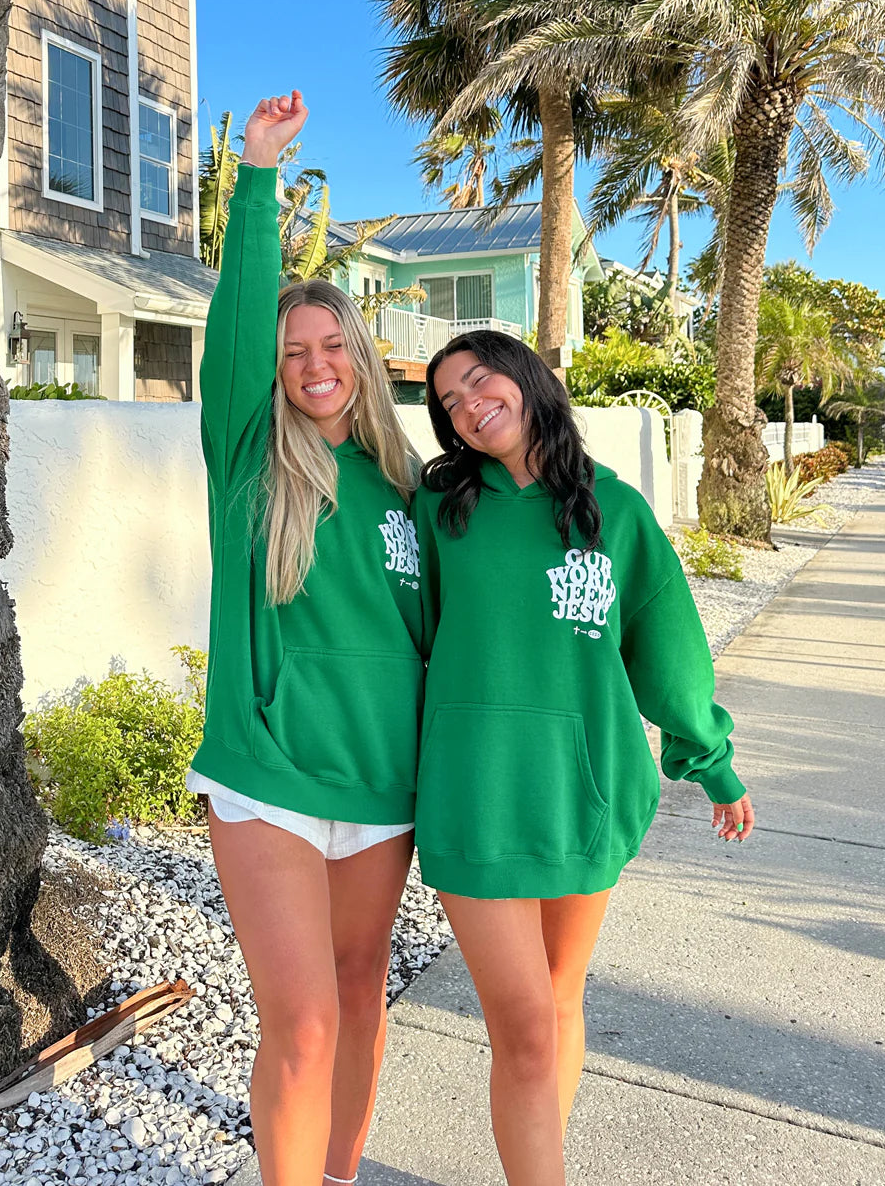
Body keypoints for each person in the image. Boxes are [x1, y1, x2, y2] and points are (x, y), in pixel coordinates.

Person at [412, 330, 754, 1186]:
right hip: (475, 795)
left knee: (562, 996)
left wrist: (712, 762)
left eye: (480, 381)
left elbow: (668, 656)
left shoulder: (617, 511)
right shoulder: (440, 509)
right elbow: (403, 640)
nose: (468, 406)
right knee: (526, 1027)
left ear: (528, 380)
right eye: (449, 401)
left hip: (586, 789)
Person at [186, 92, 423, 1186]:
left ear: (361, 357)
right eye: (294, 352)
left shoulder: (409, 486)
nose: (314, 363)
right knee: (306, 1022)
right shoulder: (250, 461)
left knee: (362, 994)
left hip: (383, 787)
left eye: (333, 344)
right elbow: (236, 329)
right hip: (269, 776)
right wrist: (257, 177)